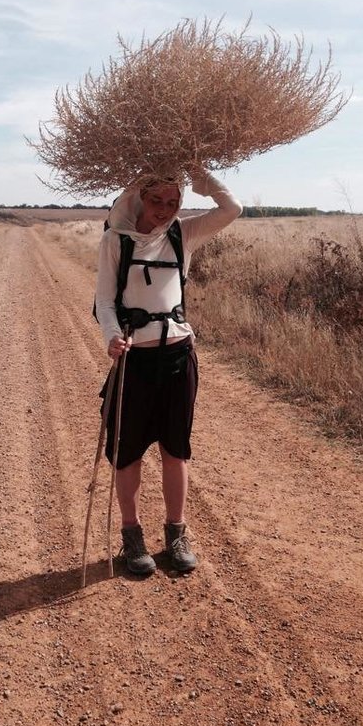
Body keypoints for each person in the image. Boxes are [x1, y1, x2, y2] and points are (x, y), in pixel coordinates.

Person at [95, 169, 242, 575]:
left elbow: (233, 208)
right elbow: (105, 302)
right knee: (127, 452)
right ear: (140, 197)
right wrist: (111, 337)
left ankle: (176, 534)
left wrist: (202, 175)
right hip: (134, 360)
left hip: (178, 354)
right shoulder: (116, 240)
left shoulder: (184, 234)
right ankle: (132, 536)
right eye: (156, 201)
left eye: (172, 202)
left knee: (176, 449)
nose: (164, 210)